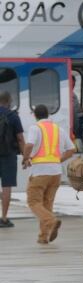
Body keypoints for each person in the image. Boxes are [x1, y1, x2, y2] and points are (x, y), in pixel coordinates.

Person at [21, 105, 75, 244]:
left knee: (33, 202)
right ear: (48, 115)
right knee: (47, 204)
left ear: (35, 115)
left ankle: (51, 221)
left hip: (40, 172)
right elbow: (71, 149)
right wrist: (58, 160)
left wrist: (25, 158)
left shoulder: (35, 128)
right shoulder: (59, 130)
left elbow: (29, 145)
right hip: (56, 173)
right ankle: (43, 236)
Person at [0, 91, 24, 228]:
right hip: (9, 156)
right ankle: (4, 218)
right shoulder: (13, 116)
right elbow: (20, 138)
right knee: (6, 187)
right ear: (9, 101)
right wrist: (26, 156)